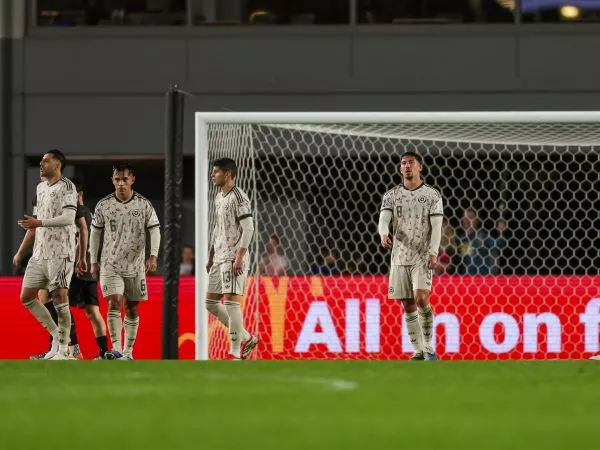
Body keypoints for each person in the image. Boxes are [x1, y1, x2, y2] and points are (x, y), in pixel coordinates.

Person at [89, 162, 161, 360]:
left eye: (125, 179)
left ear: (132, 180)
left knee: (132, 308)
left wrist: (153, 255)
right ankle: (117, 349)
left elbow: (155, 229)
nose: (121, 183)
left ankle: (128, 352)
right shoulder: (103, 205)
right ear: (112, 180)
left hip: (135, 266)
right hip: (110, 264)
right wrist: (93, 260)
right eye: (117, 179)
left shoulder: (143, 204)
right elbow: (95, 233)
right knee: (114, 303)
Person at [378, 151, 443, 361]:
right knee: (407, 303)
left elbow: (437, 226)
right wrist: (383, 234)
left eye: (411, 163)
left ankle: (429, 347)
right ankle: (418, 350)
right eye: (403, 163)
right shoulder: (391, 195)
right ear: (400, 168)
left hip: (422, 256)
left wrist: (433, 252)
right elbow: (383, 219)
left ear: (420, 167)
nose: (407, 166)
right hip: (399, 257)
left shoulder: (432, 195)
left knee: (421, 298)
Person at [14, 175, 87, 360]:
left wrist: (81, 257)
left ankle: (72, 349)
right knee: (44, 300)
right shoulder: (40, 195)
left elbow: (83, 229)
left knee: (61, 301)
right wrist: (20, 252)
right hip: (42, 256)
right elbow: (33, 228)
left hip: (63, 256)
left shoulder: (71, 199)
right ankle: (56, 345)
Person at [205, 158, 258, 360]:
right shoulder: (219, 197)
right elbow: (218, 228)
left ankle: (235, 352)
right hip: (219, 257)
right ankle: (246, 337)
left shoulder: (239, 197)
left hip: (233, 258)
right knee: (210, 303)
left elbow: (249, 228)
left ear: (227, 174)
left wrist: (240, 256)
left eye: (216, 172)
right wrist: (211, 255)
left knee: (231, 304)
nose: (212, 175)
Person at [69, 177, 109, 359]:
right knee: (93, 312)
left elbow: (80, 239)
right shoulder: (90, 213)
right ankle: (104, 352)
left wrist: (76, 261)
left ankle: (74, 349)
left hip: (79, 268)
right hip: (90, 270)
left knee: (59, 306)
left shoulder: (80, 212)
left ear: (79, 194)